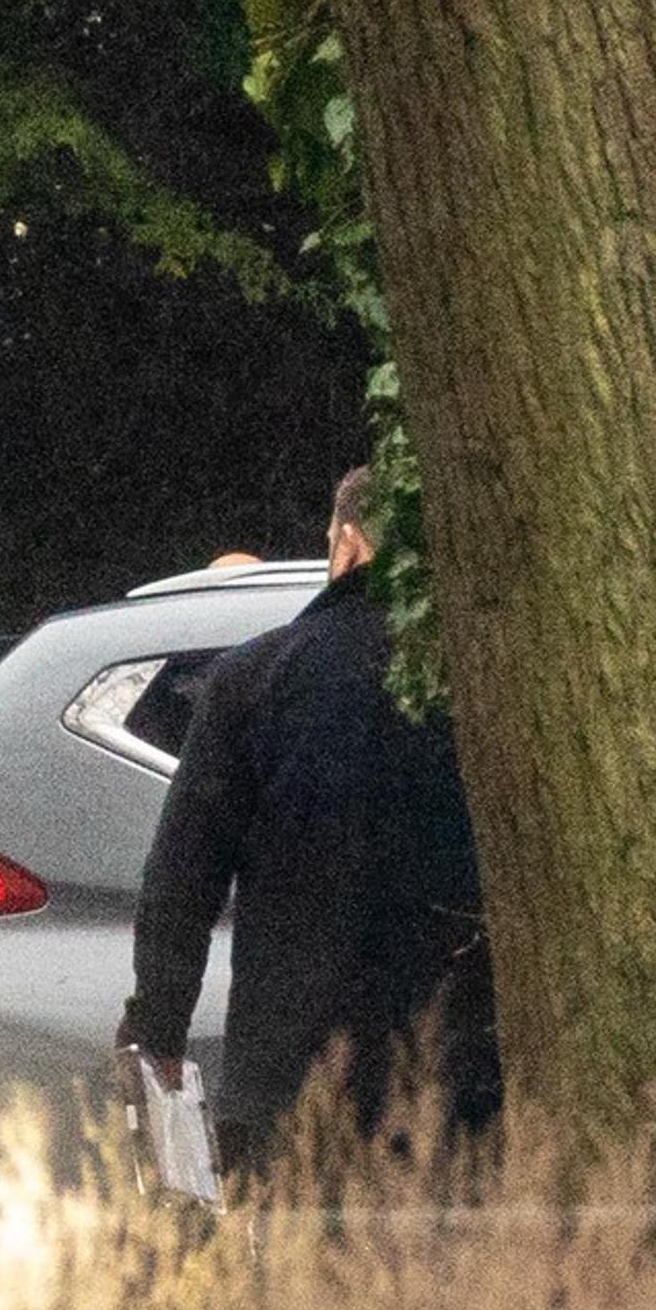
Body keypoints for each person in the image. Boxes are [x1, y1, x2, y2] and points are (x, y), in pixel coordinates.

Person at [117, 468, 499, 1179]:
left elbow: (180, 881)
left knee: (304, 1280)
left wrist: (157, 1032)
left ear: (348, 545)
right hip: (461, 1074)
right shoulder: (486, 681)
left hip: (292, 1074)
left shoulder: (253, 680)